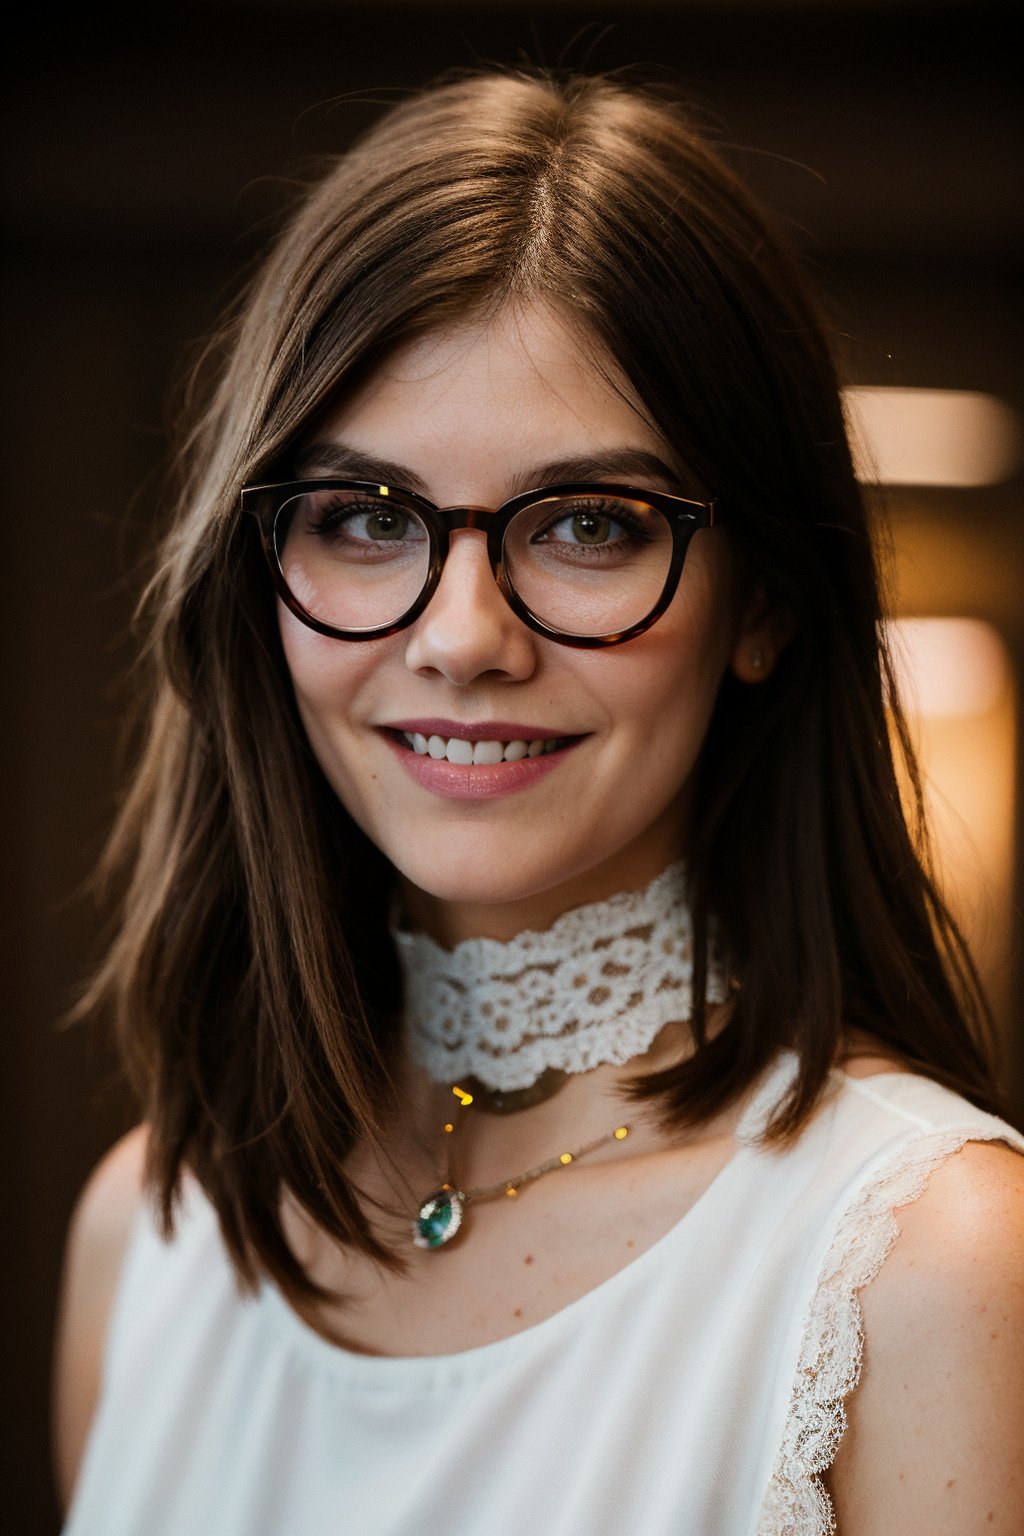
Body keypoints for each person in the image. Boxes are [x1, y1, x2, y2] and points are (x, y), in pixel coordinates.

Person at [54, 67, 1024, 1535]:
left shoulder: (936, 1266)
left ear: (763, 601)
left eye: (588, 525)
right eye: (366, 519)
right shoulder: (153, 1228)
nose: (459, 635)